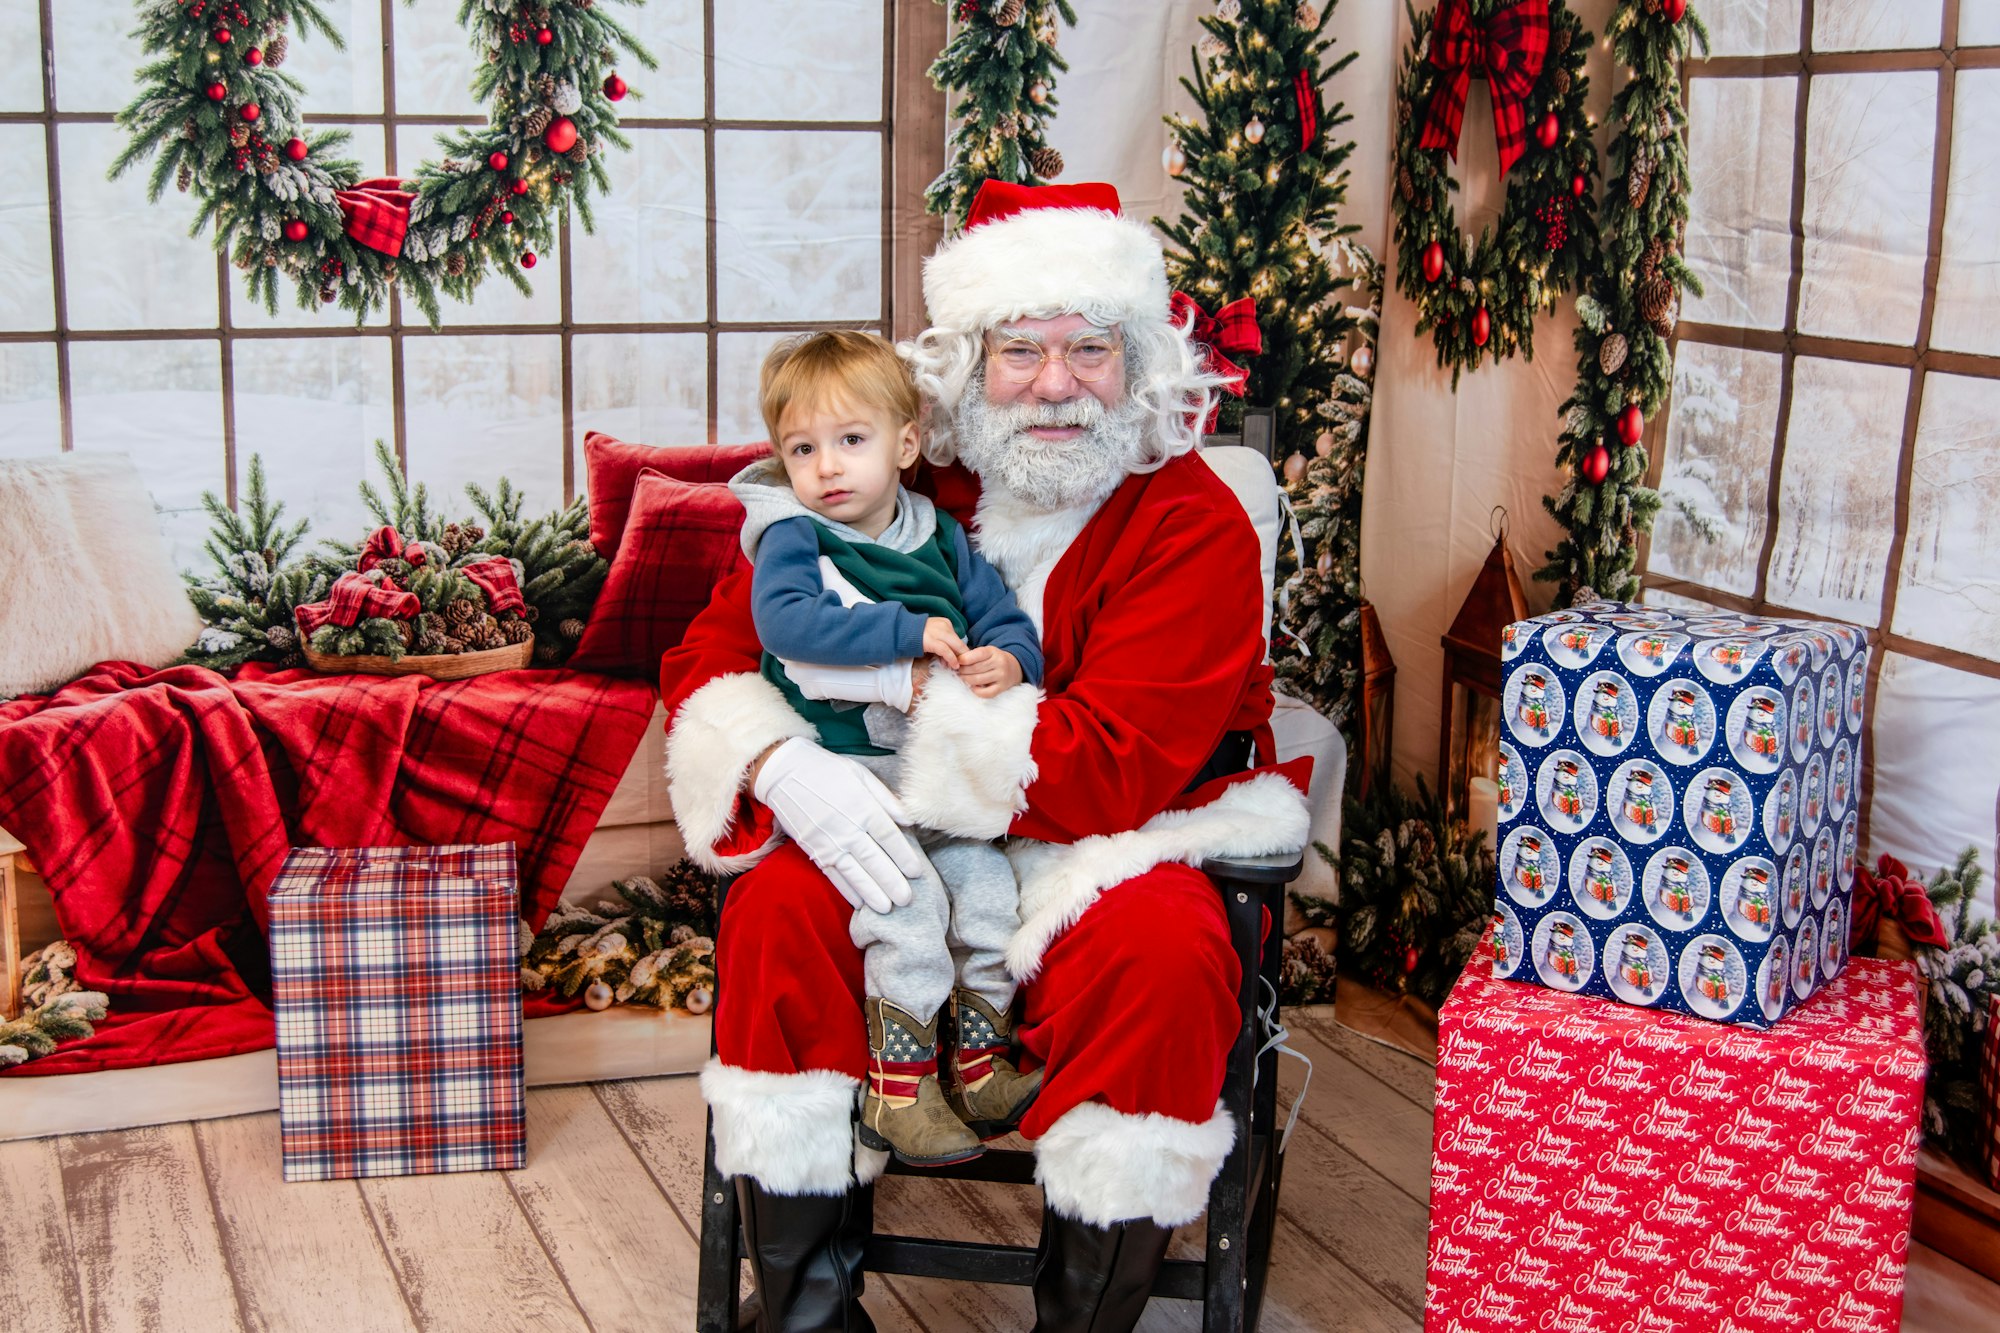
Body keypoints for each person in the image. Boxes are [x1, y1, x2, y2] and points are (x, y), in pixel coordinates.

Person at [661, 180, 1310, 1332]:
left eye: (1087, 349)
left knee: (1162, 957)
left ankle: (1081, 1318)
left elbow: (1107, 767)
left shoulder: (1190, 521)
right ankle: (806, 1315)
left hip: (1114, 839)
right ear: (967, 365)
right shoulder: (905, 481)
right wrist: (771, 758)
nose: (1055, 384)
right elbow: (723, 639)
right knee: (778, 914)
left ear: (1139, 363)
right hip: (909, 826)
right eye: (1020, 350)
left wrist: (896, 690)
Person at [731, 330, 1045, 1168]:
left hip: (931, 771)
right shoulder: (797, 537)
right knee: (907, 912)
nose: (827, 467)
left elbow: (1002, 614)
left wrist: (1009, 656)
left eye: (851, 441)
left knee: (987, 895)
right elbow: (786, 623)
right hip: (848, 779)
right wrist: (905, 632)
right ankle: (898, 1088)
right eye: (803, 448)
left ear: (906, 444)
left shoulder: (938, 534)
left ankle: (980, 1066)